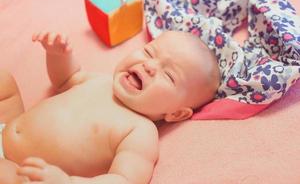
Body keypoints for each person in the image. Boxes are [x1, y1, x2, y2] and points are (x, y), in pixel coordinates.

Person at [0, 30, 220, 184]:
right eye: (149, 52)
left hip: (20, 170)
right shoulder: (102, 81)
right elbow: (66, 80)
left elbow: (123, 179)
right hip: (8, 124)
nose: (150, 66)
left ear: (176, 113)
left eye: (169, 75)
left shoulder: (140, 132)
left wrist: (66, 182)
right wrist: (58, 55)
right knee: (4, 80)